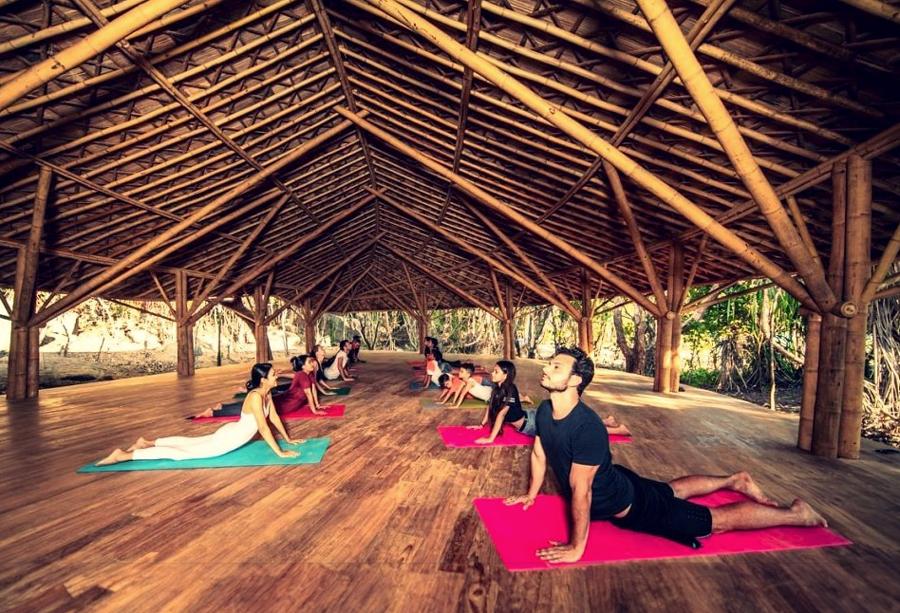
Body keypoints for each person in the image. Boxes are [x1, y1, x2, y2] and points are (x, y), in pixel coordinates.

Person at [504, 347, 827, 563]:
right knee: (670, 490)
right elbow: (540, 452)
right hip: (618, 482)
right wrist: (530, 494)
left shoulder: (586, 427)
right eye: (549, 363)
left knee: (714, 522)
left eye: (556, 366)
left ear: (575, 380)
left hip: (630, 505)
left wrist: (577, 548)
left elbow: (582, 491)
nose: (546, 368)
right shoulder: (545, 410)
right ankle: (734, 480)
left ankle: (797, 514)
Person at [96, 363, 302, 465]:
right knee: (181, 454)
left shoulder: (267, 393)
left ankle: (147, 442)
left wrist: (288, 439)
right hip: (229, 439)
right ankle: (124, 455)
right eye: (273, 374)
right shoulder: (256, 397)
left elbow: (274, 418)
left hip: (231, 432)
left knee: (190, 442)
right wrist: (279, 452)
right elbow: (263, 427)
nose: (277, 376)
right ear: (263, 380)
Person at [195, 355, 327, 419]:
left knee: (257, 403)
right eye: (310, 362)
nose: (313, 363)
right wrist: (314, 411)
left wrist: (317, 405)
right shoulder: (302, 375)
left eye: (312, 361)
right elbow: (308, 394)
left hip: (286, 399)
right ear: (303, 366)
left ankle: (223, 406)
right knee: (256, 410)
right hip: (286, 404)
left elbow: (313, 389)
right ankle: (213, 412)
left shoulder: (308, 374)